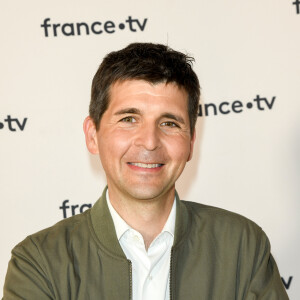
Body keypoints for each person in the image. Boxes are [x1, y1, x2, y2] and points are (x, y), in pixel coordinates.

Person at [3, 43, 288, 300]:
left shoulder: (242, 247)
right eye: (129, 119)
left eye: (169, 123)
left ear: (190, 143)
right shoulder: (38, 262)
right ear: (93, 135)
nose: (149, 142)